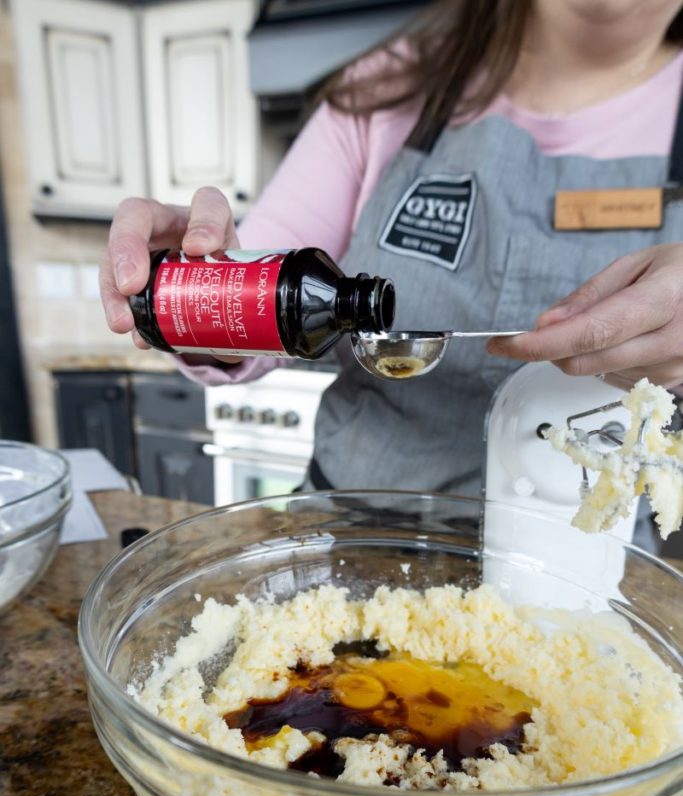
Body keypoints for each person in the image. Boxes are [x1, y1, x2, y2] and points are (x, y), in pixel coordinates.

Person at [100, 0, 683, 506]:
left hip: (577, 558)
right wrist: (205, 289)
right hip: (353, 535)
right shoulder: (391, 84)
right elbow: (263, 284)